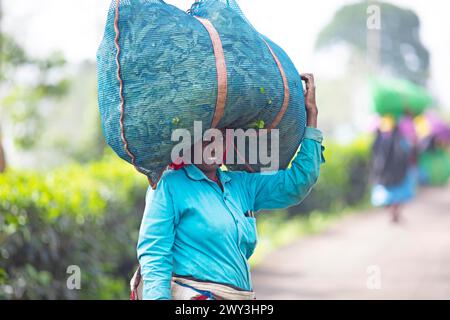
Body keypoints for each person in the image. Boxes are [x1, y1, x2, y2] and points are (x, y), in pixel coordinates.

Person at [136, 74, 325, 300]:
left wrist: (311, 114)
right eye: (205, 138)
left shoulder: (240, 185)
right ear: (187, 142)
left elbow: (298, 182)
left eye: (219, 137)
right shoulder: (169, 186)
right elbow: (155, 255)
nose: (213, 145)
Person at [370, 114, 418, 223]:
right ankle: (394, 211)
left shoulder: (382, 133)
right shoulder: (400, 130)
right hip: (393, 170)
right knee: (396, 194)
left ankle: (393, 210)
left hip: (388, 170)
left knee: (393, 193)